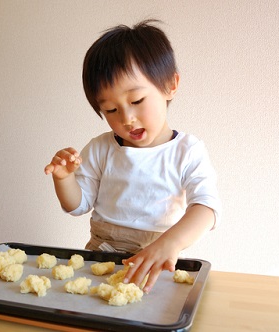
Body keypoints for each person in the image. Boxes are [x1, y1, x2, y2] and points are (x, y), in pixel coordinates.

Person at [44, 19, 221, 293]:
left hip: (157, 261)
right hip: (100, 258)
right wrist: (64, 179)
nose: (127, 118)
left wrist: (170, 243)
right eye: (111, 111)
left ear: (170, 85)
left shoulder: (187, 151)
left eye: (137, 101)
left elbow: (206, 209)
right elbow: (76, 206)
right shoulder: (102, 148)